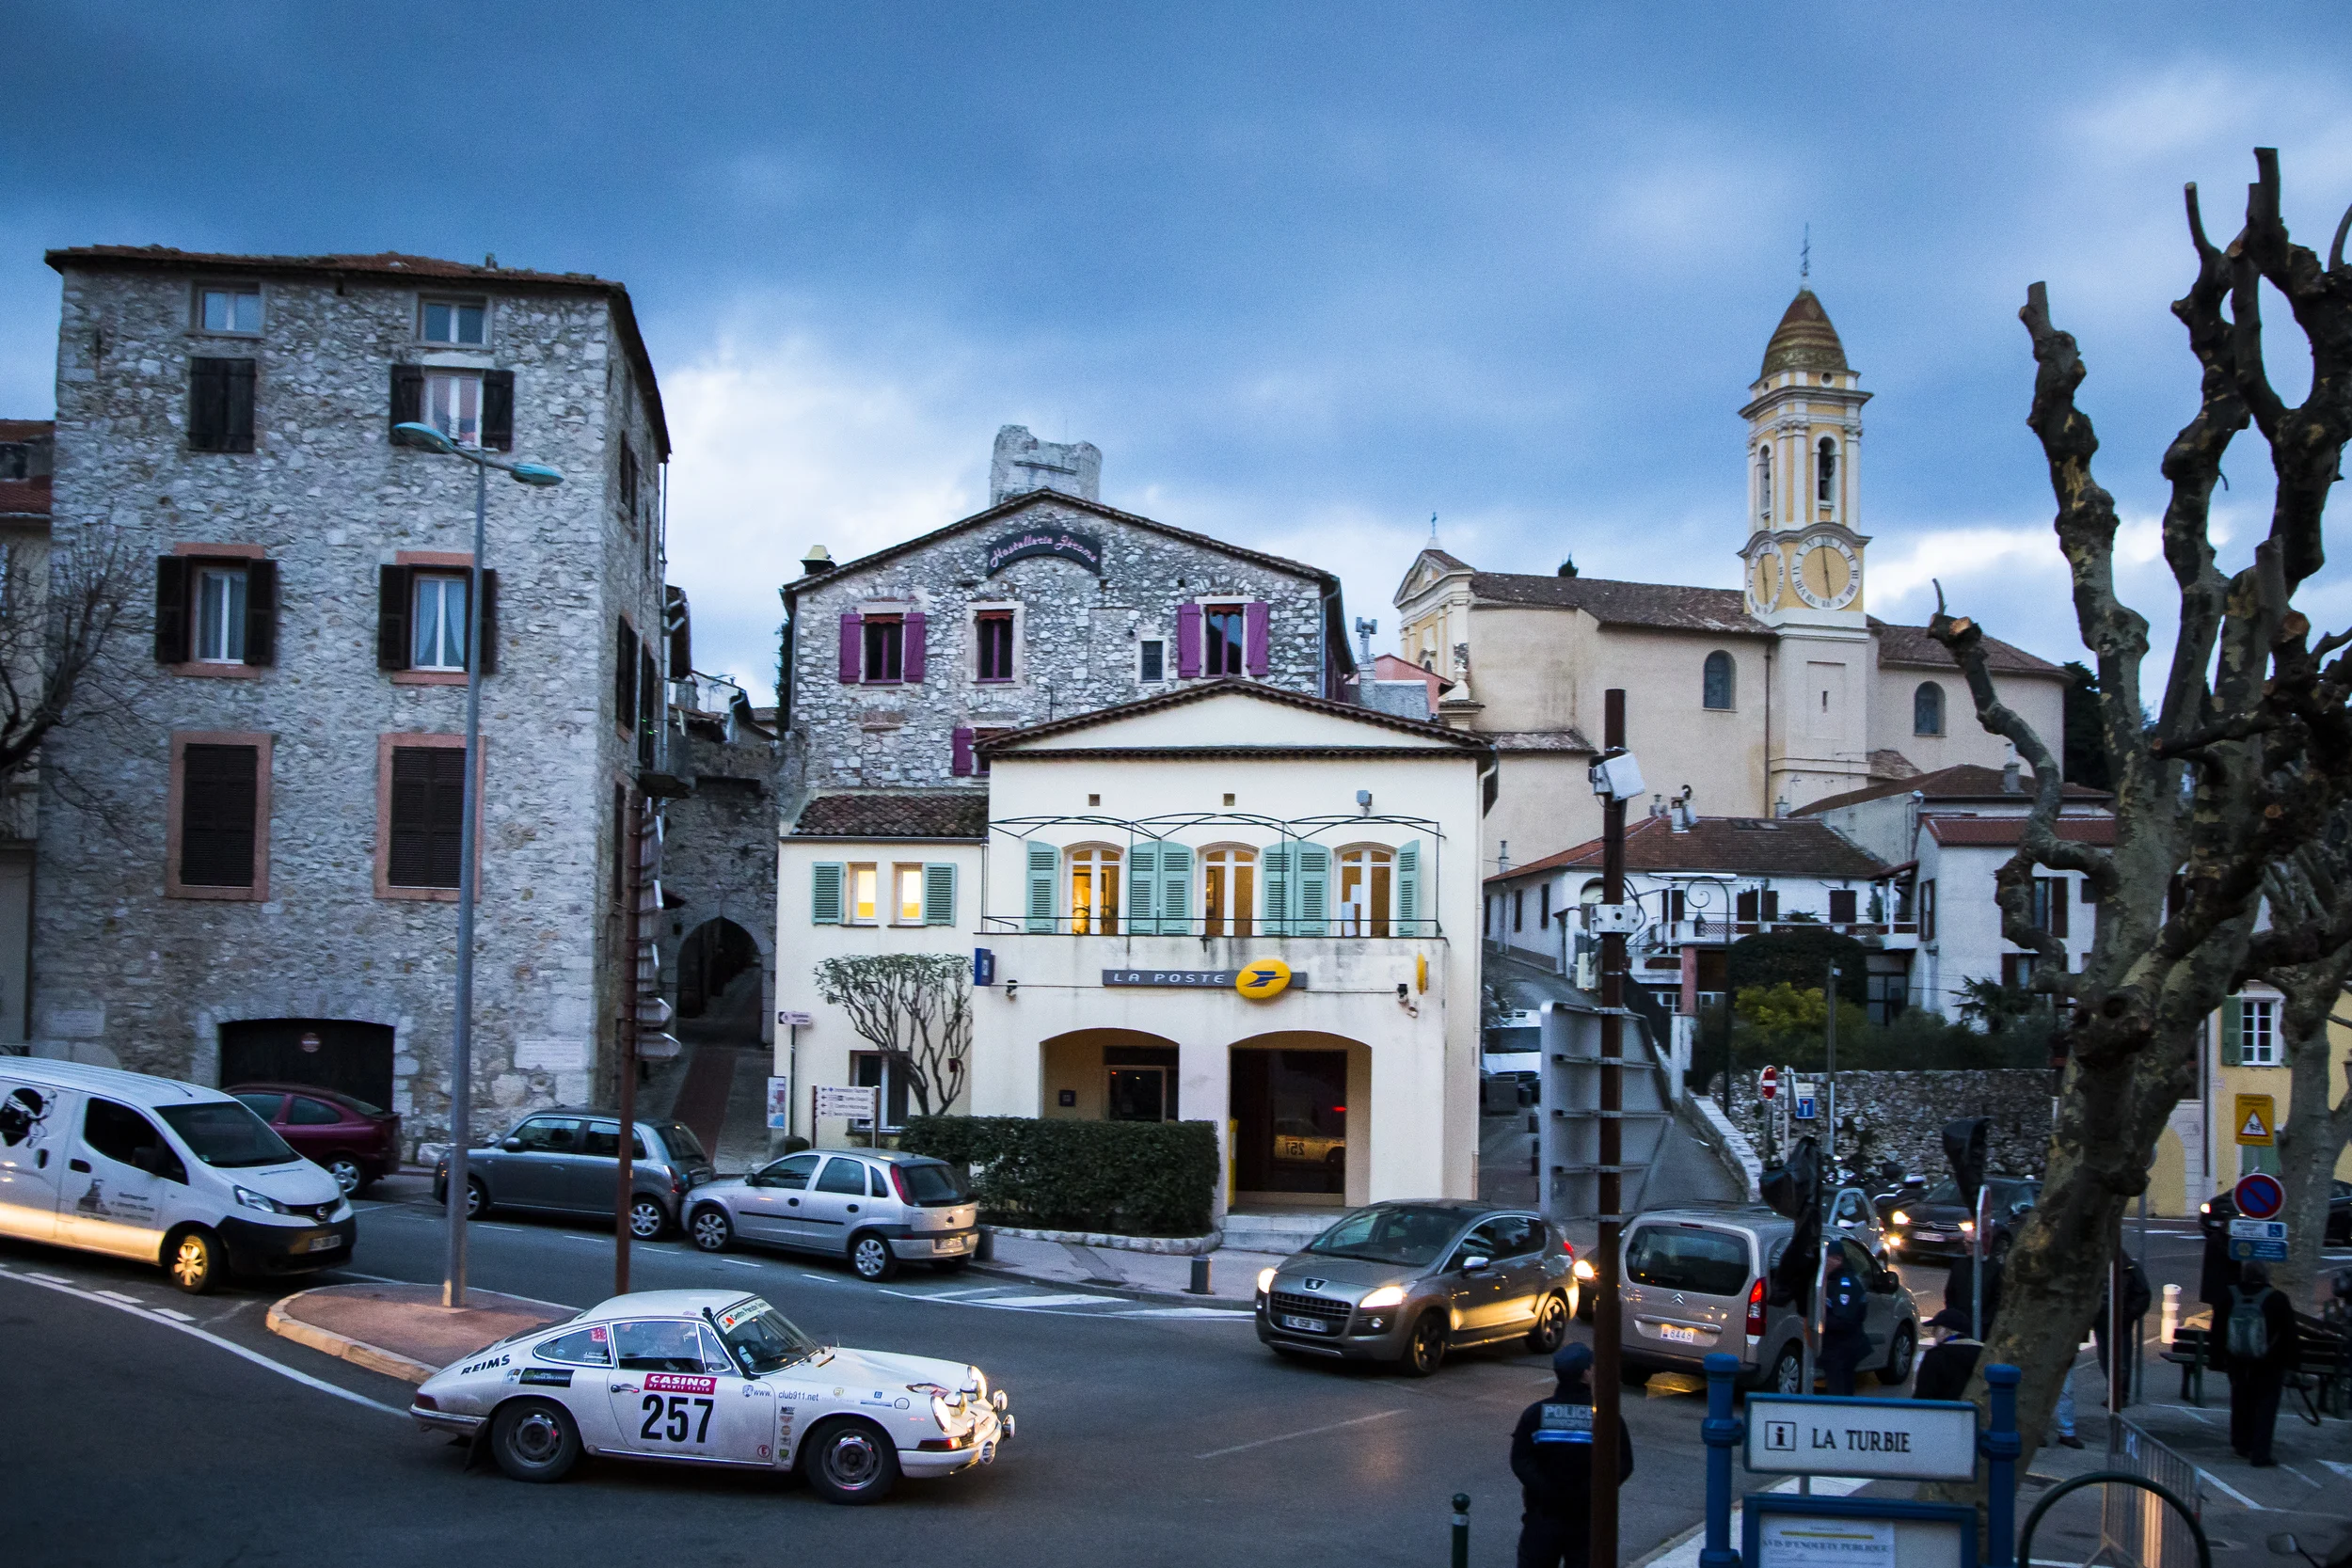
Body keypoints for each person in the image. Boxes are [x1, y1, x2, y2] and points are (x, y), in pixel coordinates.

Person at [1511, 1342, 1633, 1568]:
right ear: (1585, 1374)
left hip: (1543, 1516)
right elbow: (1623, 1464)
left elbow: (1520, 1459)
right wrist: (1590, 1491)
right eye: (1592, 1366)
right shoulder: (1606, 1418)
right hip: (1587, 1519)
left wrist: (1546, 1490)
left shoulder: (1536, 1414)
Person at [2219, 1259, 2298, 1466]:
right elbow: (2289, 1334)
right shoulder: (2277, 1298)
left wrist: (2219, 1359)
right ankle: (2260, 1453)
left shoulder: (2230, 1295)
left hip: (2237, 1361)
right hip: (2270, 1363)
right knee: (2265, 1407)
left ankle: (2241, 1444)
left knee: (2240, 1401)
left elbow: (2217, 1329)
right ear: (2265, 1276)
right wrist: (2292, 1365)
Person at [2091, 1254, 2153, 1409]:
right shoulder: (2099, 1265)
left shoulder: (2129, 1268)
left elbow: (2143, 1295)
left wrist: (2127, 1316)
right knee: (2105, 1358)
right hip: (2101, 1321)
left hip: (2121, 1323)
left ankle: (2120, 1395)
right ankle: (2114, 1392)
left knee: (2121, 1360)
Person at [1820, 1247, 1871, 1397]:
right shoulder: (1832, 1280)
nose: (1824, 1263)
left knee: (1839, 1393)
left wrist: (1820, 1323)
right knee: (1839, 1389)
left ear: (1838, 1259)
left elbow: (1843, 1320)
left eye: (1827, 1259)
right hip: (1836, 1348)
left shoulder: (1845, 1284)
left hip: (1843, 1348)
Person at [1913, 1307, 1981, 1402]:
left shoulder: (1936, 1356)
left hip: (1944, 1410)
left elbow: (1922, 1397)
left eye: (1936, 1329)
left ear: (1947, 1332)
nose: (1933, 1333)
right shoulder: (1983, 1353)